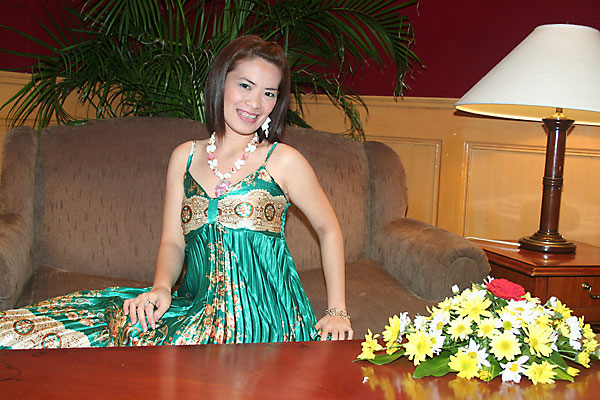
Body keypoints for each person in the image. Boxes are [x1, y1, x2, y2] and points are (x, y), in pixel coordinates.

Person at [0, 35, 352, 349]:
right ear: (221, 83)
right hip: (197, 309)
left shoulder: (284, 160)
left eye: (269, 93)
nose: (255, 102)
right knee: (100, 327)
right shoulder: (184, 157)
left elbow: (328, 228)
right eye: (245, 85)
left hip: (268, 320)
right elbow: (172, 241)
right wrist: (161, 288)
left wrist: (337, 311)